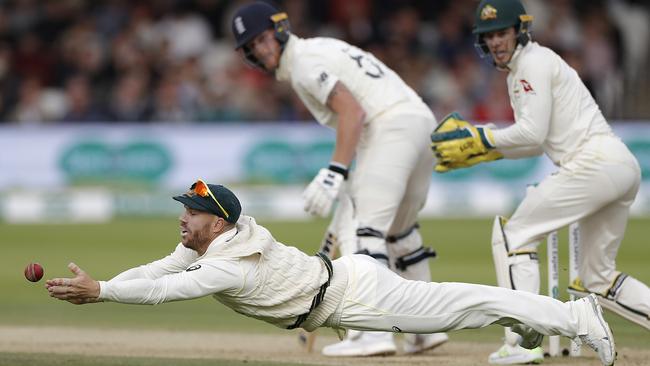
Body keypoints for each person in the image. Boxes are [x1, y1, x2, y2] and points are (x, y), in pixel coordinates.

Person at [46, 179, 616, 366]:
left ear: (216, 225)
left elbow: (170, 289)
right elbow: (158, 269)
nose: (181, 220)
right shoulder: (222, 240)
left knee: (469, 305)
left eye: (190, 213)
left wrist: (104, 294)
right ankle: (543, 322)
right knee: (469, 305)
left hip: (353, 297)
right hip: (347, 281)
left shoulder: (226, 267)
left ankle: (576, 315)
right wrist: (104, 287)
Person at [430, 0, 650, 364]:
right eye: (489, 36)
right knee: (597, 279)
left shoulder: (531, 63)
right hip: (617, 165)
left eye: (502, 33)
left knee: (513, 236)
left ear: (520, 30)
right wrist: (485, 149)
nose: (496, 42)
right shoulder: (527, 67)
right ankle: (528, 340)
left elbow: (532, 133)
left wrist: (482, 138)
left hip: (592, 163)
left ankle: (522, 343)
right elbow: (533, 142)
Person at [230, 1, 446, 357]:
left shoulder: (303, 63)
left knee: (365, 231)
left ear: (280, 29)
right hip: (420, 123)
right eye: (252, 46)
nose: (260, 50)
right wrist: (351, 169)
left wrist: (335, 171)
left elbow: (353, 111)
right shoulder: (318, 48)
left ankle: (373, 332)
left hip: (390, 126)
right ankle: (424, 329)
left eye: (263, 39)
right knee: (400, 232)